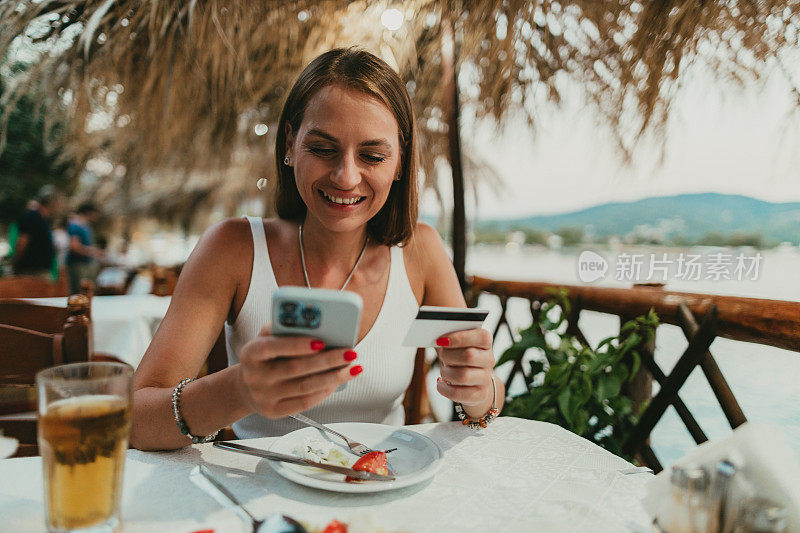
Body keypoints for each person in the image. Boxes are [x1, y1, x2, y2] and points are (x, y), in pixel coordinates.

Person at [131, 48, 505, 450]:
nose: (346, 176)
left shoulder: (421, 250)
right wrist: (238, 390)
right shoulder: (232, 248)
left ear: (399, 163)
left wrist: (480, 392)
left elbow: (486, 401)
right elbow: (135, 420)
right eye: (324, 149)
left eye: (373, 156)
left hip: (385, 483)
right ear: (290, 144)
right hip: (258, 494)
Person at [10, 187, 62, 278]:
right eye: (57, 202)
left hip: (40, 271)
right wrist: (15, 263)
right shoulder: (31, 217)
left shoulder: (45, 220)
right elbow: (22, 242)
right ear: (51, 202)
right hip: (30, 272)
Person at [66, 202, 104, 293]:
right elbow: (74, 246)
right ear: (89, 212)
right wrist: (93, 252)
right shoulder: (76, 225)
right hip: (79, 265)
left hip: (86, 265)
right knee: (79, 292)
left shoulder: (86, 226)